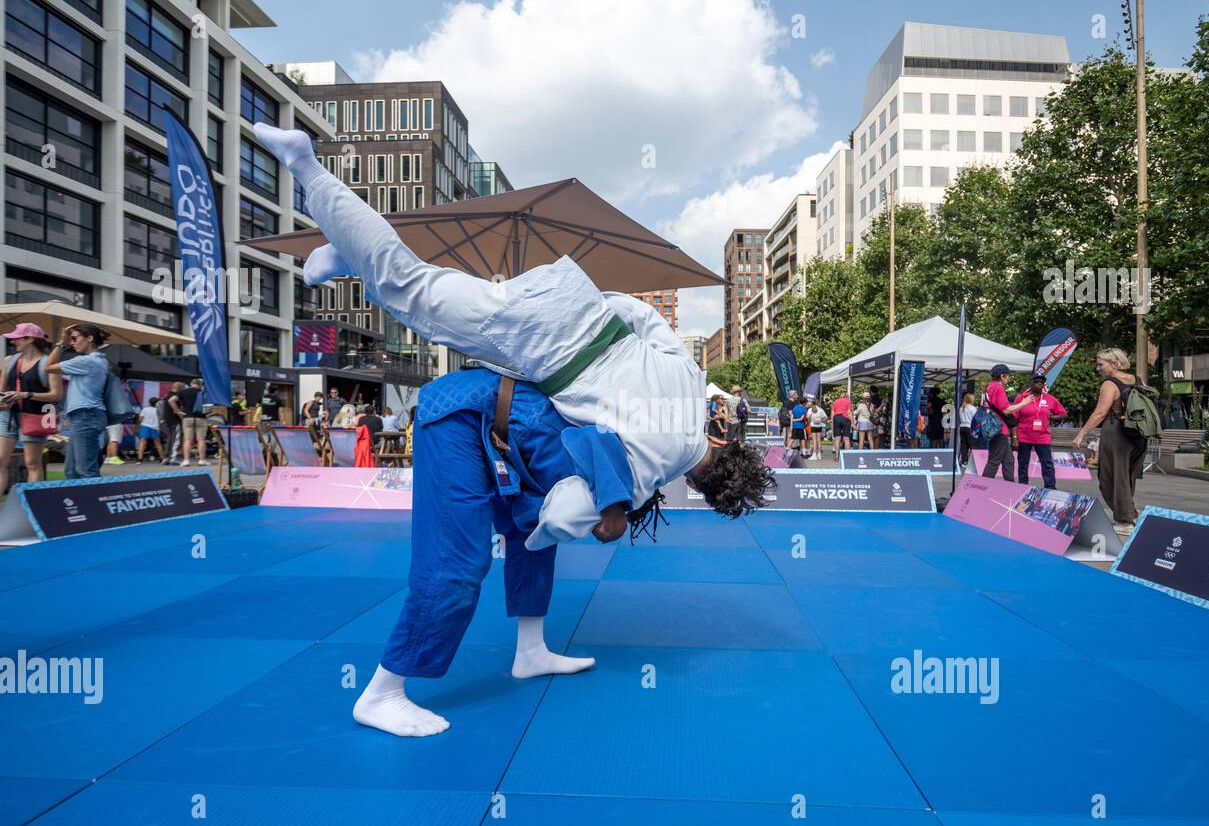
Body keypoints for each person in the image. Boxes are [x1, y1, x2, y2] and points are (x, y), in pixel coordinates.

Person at [257, 121, 774, 537]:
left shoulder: (689, 382)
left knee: (432, 301)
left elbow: (644, 316)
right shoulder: (645, 476)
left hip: (575, 301)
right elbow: (561, 512)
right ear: (699, 489)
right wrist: (575, 529)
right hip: (547, 345)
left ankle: (347, 253)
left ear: (724, 441)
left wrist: (591, 306)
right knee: (413, 289)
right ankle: (307, 166)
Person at [1072, 348, 1147, 534]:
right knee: (1127, 477)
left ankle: (1125, 520)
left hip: (1117, 433)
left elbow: (1100, 413)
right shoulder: (1138, 380)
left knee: (1110, 477)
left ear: (1114, 364)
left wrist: (1081, 433)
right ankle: (1131, 513)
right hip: (1139, 434)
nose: (1098, 368)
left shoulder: (1110, 384)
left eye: (1101, 364)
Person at [0, 322, 63, 494]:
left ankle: (33, 505)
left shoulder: (48, 364)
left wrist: (26, 394)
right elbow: (1, 389)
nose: (13, 342)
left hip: (36, 415)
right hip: (8, 415)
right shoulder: (9, 361)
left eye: (16, 339)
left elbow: (56, 395)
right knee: (0, 461)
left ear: (29, 339)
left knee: (32, 463)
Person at [44, 324, 110, 479]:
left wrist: (61, 342)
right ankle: (80, 502)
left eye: (74, 339)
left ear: (89, 338)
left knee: (85, 470)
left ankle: (95, 502)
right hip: (84, 416)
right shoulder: (97, 360)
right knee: (72, 470)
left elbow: (49, 366)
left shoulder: (88, 361)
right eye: (70, 339)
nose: (72, 343)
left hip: (86, 416)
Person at [1014, 373, 1067, 488]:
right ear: (1031, 383)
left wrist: (1051, 417)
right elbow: (1014, 418)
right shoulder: (1021, 398)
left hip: (1043, 436)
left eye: (1042, 382)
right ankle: (1022, 485)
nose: (1039, 383)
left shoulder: (1050, 398)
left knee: (1047, 463)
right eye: (1036, 381)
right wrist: (1014, 438)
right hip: (1024, 436)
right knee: (1023, 463)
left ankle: (1050, 487)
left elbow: (1063, 414)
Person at [981, 364, 1033, 481]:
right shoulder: (998, 388)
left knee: (1008, 460)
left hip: (996, 428)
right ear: (1002, 376)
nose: (1009, 378)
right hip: (999, 429)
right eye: (1008, 375)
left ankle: (1010, 486)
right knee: (994, 461)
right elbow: (1006, 410)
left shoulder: (989, 386)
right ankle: (983, 487)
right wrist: (1024, 403)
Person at [176, 378, 209, 467]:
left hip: (187, 417)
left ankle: (186, 460)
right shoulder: (203, 393)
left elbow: (171, 400)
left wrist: (177, 411)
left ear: (191, 384)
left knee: (187, 440)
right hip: (201, 418)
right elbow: (208, 408)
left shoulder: (183, 392)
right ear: (200, 385)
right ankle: (202, 460)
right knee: (201, 439)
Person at [134, 397, 165, 463]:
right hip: (155, 427)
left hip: (145, 427)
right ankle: (162, 458)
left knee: (142, 443)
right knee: (158, 443)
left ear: (149, 403)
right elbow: (161, 420)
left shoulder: (145, 409)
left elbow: (140, 419)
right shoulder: (158, 410)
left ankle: (140, 459)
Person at [830, 392, 853, 461]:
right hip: (845, 418)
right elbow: (849, 412)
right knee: (846, 438)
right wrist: (853, 422)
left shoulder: (835, 402)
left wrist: (832, 422)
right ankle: (847, 457)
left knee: (837, 438)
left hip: (836, 418)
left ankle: (837, 457)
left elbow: (832, 413)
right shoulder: (848, 401)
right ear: (847, 396)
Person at [958, 391, 977, 468]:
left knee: (964, 445)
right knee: (972, 444)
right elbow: (975, 419)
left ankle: (964, 461)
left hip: (962, 427)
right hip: (969, 427)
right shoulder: (973, 408)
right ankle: (974, 461)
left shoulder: (961, 408)